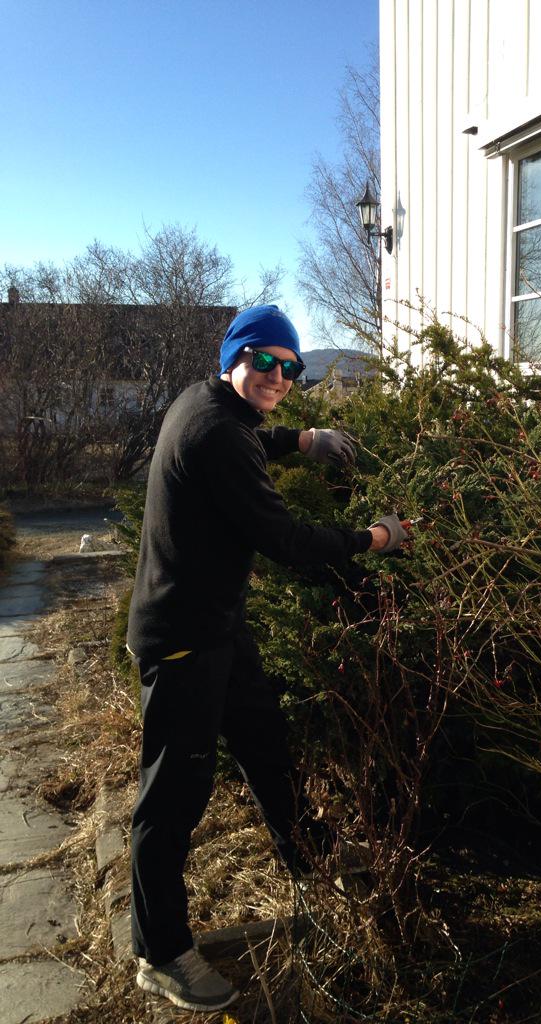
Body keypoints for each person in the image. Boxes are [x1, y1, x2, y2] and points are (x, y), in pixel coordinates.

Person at [127, 304, 410, 1012]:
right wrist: (376, 539)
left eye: (292, 368)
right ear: (233, 358)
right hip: (183, 642)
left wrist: (303, 438)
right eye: (264, 363)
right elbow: (285, 541)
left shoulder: (203, 399)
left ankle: (307, 858)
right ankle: (160, 953)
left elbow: (250, 429)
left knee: (264, 741)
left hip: (217, 626)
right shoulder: (216, 434)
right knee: (172, 801)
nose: (278, 378)